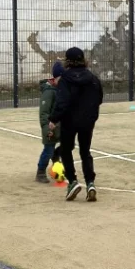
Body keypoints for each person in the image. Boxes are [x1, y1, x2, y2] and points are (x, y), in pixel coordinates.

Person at [48, 47, 104, 202]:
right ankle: (90, 183)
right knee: (85, 152)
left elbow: (62, 102)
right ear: (82, 60)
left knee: (66, 150)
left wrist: (53, 119)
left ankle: (72, 181)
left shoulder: (65, 79)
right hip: (87, 121)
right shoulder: (92, 78)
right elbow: (99, 97)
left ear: (68, 61)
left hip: (69, 121)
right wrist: (91, 114)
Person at [36, 62, 64, 183]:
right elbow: (44, 113)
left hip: (61, 126)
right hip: (50, 128)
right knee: (48, 150)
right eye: (61, 79)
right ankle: (40, 172)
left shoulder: (61, 89)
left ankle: (56, 155)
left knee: (68, 145)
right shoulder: (48, 92)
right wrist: (47, 129)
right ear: (55, 78)